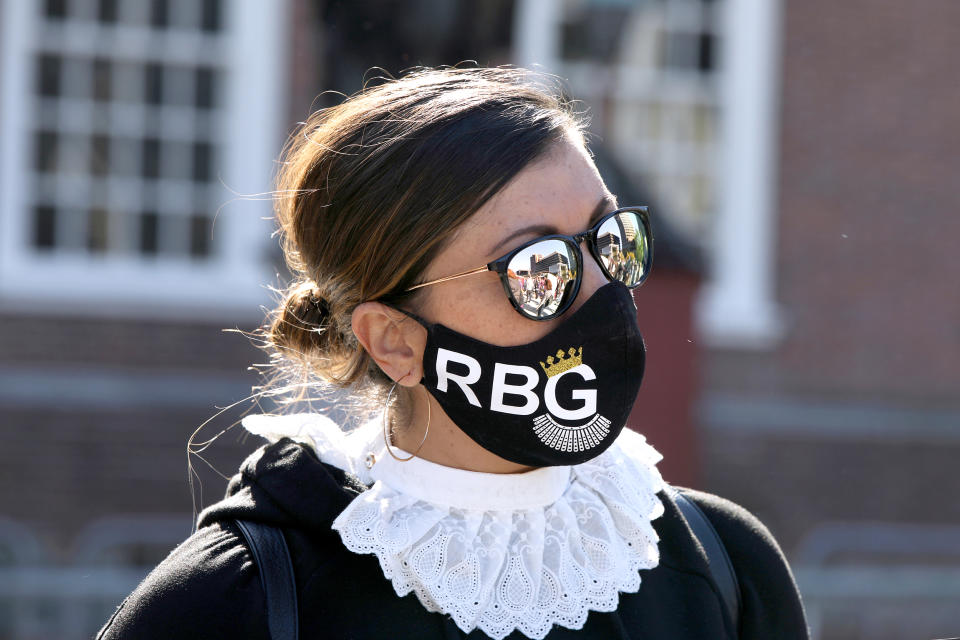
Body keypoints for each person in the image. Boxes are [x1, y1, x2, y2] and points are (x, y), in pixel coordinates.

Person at [96, 67, 808, 639]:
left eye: (609, 240)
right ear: (395, 341)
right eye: (538, 268)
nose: (599, 290)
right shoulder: (235, 602)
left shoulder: (719, 566)